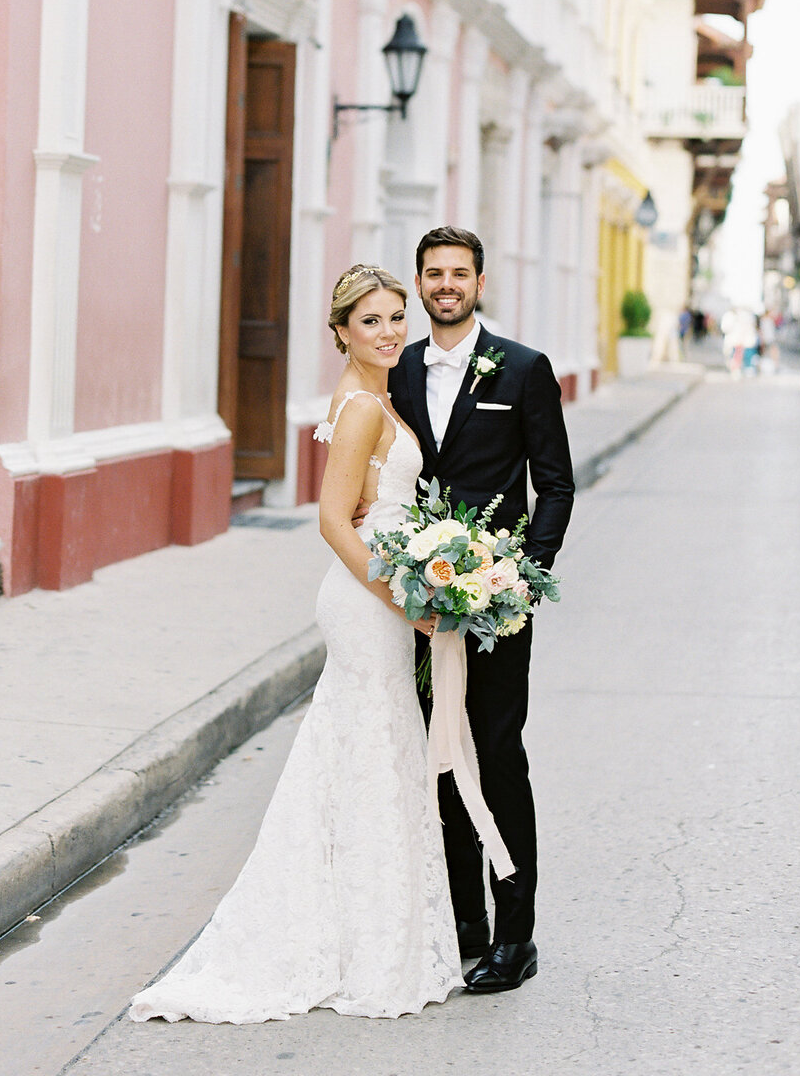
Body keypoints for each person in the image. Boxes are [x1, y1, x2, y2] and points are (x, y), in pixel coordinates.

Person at [130, 264, 465, 1023]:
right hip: (364, 599)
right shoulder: (357, 409)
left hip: (381, 592)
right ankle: (354, 943)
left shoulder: (379, 397)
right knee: (370, 749)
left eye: (394, 319)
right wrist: (405, 599)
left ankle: (369, 931)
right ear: (341, 330)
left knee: (371, 752)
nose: (387, 333)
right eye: (371, 321)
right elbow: (333, 519)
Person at [386, 226, 575, 994]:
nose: (445, 286)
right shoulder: (397, 369)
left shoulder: (524, 370)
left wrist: (525, 577)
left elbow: (555, 482)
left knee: (497, 757)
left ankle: (515, 935)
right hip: (419, 608)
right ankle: (463, 922)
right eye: (433, 274)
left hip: (495, 606)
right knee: (437, 760)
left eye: (458, 274)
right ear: (421, 283)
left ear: (481, 282)